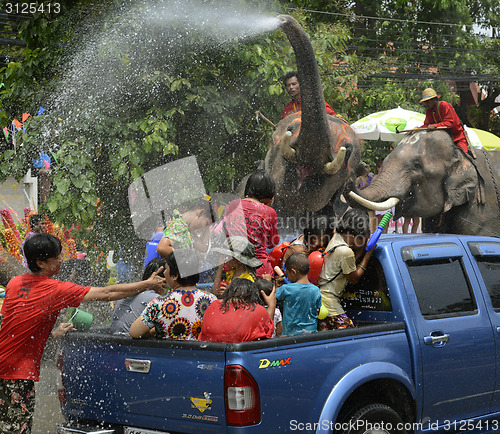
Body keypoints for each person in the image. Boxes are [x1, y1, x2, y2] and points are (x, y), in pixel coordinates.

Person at [0, 233, 166, 432]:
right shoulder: (53, 289)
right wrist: (147, 284)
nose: (62, 260)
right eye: (57, 257)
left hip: (5, 365)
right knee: (16, 429)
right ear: (41, 263)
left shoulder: (14, 283)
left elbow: (15, 326)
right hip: (14, 374)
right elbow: (107, 294)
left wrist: (53, 332)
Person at [129, 250, 216, 340]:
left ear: (175, 276)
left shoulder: (160, 303)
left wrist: (153, 332)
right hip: (200, 353)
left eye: (166, 269)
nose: (164, 273)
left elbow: (134, 332)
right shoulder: (211, 300)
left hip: (167, 353)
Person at [317, 209, 374, 330]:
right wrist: (368, 253)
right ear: (357, 235)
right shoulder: (346, 251)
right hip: (330, 304)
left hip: (320, 301)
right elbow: (354, 279)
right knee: (349, 334)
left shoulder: (336, 236)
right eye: (363, 238)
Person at [223, 170, 279, 279]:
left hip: (232, 266)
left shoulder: (232, 205)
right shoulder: (269, 212)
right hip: (259, 269)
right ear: (269, 193)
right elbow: (272, 243)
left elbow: (227, 234)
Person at [198, 278, 275, 343]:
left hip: (211, 355)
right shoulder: (257, 310)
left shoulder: (213, 306)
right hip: (241, 357)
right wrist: (271, 306)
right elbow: (267, 332)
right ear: (253, 295)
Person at [110, 257, 167, 335]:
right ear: (163, 280)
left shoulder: (128, 292)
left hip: (114, 341)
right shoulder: (157, 300)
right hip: (133, 344)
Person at [275, 253, 322, 336]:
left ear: (293, 272)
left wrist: (274, 285)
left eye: (287, 273)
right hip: (311, 334)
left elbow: (272, 297)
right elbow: (317, 311)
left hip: (291, 335)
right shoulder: (316, 290)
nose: (287, 277)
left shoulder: (286, 289)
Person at [418, 87, 468, 153]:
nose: (426, 104)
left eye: (427, 101)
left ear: (433, 99)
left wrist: (435, 126)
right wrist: (417, 129)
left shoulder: (444, 105)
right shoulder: (428, 111)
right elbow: (427, 125)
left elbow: (451, 123)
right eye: (425, 102)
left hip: (457, 138)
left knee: (462, 157)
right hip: (442, 141)